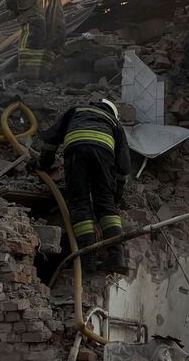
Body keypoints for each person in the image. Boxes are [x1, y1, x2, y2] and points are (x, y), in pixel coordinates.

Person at [36, 99, 132, 274]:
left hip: (76, 149)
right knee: (106, 206)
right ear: (112, 111)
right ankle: (117, 257)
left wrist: (43, 164)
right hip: (103, 152)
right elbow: (123, 164)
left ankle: (87, 260)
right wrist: (115, 195)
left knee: (80, 203)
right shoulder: (114, 122)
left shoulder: (76, 110)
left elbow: (51, 139)